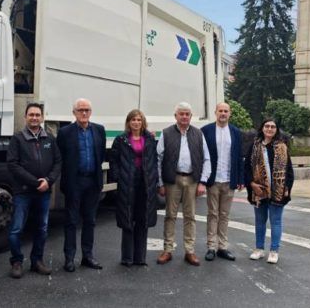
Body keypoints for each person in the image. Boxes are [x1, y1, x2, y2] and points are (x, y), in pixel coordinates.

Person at [6, 102, 61, 279]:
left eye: (38, 115)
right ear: (25, 117)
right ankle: (16, 261)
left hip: (43, 192)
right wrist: (34, 182)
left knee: (42, 229)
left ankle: (37, 261)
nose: (35, 118)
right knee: (16, 229)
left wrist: (48, 180)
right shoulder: (17, 138)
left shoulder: (49, 139)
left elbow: (58, 162)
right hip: (23, 191)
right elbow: (12, 165)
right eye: (31, 115)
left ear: (42, 117)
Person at [156, 102, 211, 267]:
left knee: (190, 216)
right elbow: (158, 160)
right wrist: (160, 183)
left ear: (191, 116)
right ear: (176, 116)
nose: (184, 116)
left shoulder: (198, 134)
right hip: (172, 180)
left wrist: (203, 182)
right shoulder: (166, 133)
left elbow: (206, 158)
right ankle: (167, 250)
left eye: (187, 114)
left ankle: (190, 250)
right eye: (181, 114)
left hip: (192, 180)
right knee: (170, 216)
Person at [57, 98, 106, 273]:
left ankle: (88, 256)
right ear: (74, 113)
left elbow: (100, 156)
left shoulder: (99, 130)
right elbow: (60, 158)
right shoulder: (65, 133)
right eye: (80, 110)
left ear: (91, 112)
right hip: (74, 182)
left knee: (90, 221)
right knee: (71, 221)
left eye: (86, 110)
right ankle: (69, 258)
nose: (84, 113)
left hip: (92, 181)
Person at [109, 109, 158, 267]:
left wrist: (153, 178)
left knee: (142, 220)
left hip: (145, 183)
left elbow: (154, 160)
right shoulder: (121, 140)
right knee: (128, 219)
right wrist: (118, 177)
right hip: (128, 183)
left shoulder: (149, 139)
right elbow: (113, 160)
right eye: (133, 120)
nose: (136, 122)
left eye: (139, 120)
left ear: (143, 122)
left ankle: (140, 257)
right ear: (128, 122)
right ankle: (127, 258)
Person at [244, 117, 294, 264]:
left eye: (273, 126)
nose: (270, 129)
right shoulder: (254, 146)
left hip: (277, 191)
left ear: (276, 130)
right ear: (262, 128)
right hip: (259, 191)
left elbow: (289, 170)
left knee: (276, 221)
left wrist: (286, 189)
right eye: (267, 126)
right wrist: (252, 184)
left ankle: (274, 251)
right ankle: (259, 249)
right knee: (260, 221)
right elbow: (247, 168)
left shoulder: (282, 147)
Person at [201, 102, 244, 262]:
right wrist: (203, 178)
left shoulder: (235, 132)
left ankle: (222, 247)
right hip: (213, 180)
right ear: (215, 112)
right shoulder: (206, 131)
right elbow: (202, 156)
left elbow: (239, 157)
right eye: (220, 111)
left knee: (224, 215)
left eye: (226, 111)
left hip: (229, 180)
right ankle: (211, 247)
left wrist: (240, 179)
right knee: (212, 214)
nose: (223, 113)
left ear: (229, 113)